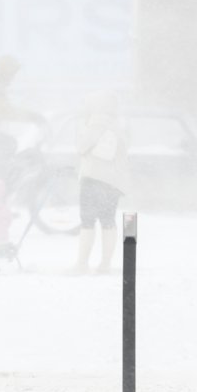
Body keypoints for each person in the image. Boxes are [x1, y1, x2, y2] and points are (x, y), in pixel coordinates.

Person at [72, 92, 129, 275]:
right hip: (113, 182)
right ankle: (105, 264)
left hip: (94, 179)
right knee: (108, 221)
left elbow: (81, 147)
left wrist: (81, 128)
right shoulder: (117, 125)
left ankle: (82, 263)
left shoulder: (96, 123)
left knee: (87, 221)